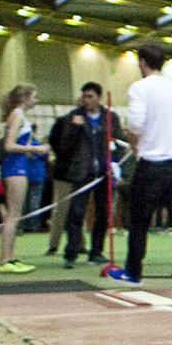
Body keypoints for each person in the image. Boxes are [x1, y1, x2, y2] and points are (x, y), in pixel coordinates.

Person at [107, 44, 172, 291]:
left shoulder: (139, 88)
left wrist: (136, 144)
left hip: (151, 165)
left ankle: (133, 272)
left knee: (139, 221)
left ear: (142, 63)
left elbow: (136, 124)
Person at [51, 82, 120, 266]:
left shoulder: (110, 117)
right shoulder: (73, 117)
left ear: (99, 97)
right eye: (84, 97)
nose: (87, 100)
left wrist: (115, 164)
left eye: (90, 96)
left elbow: (118, 142)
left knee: (103, 213)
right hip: (81, 172)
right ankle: (71, 252)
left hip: (105, 173)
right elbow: (62, 144)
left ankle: (96, 251)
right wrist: (74, 127)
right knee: (76, 213)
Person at [0, 84, 49, 272]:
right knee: (13, 214)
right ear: (24, 98)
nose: (36, 100)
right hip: (14, 169)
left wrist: (29, 151)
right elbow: (9, 146)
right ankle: (5, 260)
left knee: (15, 214)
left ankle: (11, 256)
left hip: (19, 166)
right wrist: (35, 148)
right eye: (34, 96)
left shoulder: (20, 116)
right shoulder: (17, 115)